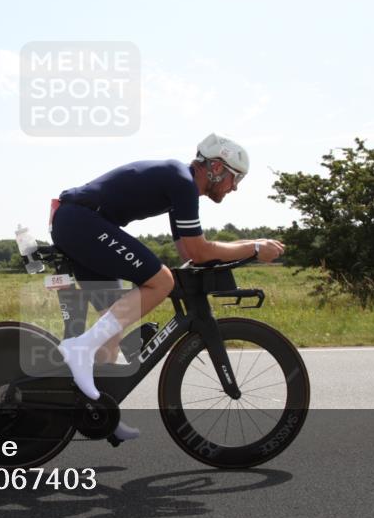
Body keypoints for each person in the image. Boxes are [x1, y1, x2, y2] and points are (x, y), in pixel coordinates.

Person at [48, 133, 285, 441]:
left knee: (111, 335)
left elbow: (190, 251)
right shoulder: (182, 182)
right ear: (215, 168)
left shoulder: (180, 183)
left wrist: (251, 245)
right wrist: (253, 248)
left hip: (77, 222)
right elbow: (200, 252)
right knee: (161, 281)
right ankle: (79, 348)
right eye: (234, 178)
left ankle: (99, 412)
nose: (235, 187)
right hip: (80, 221)